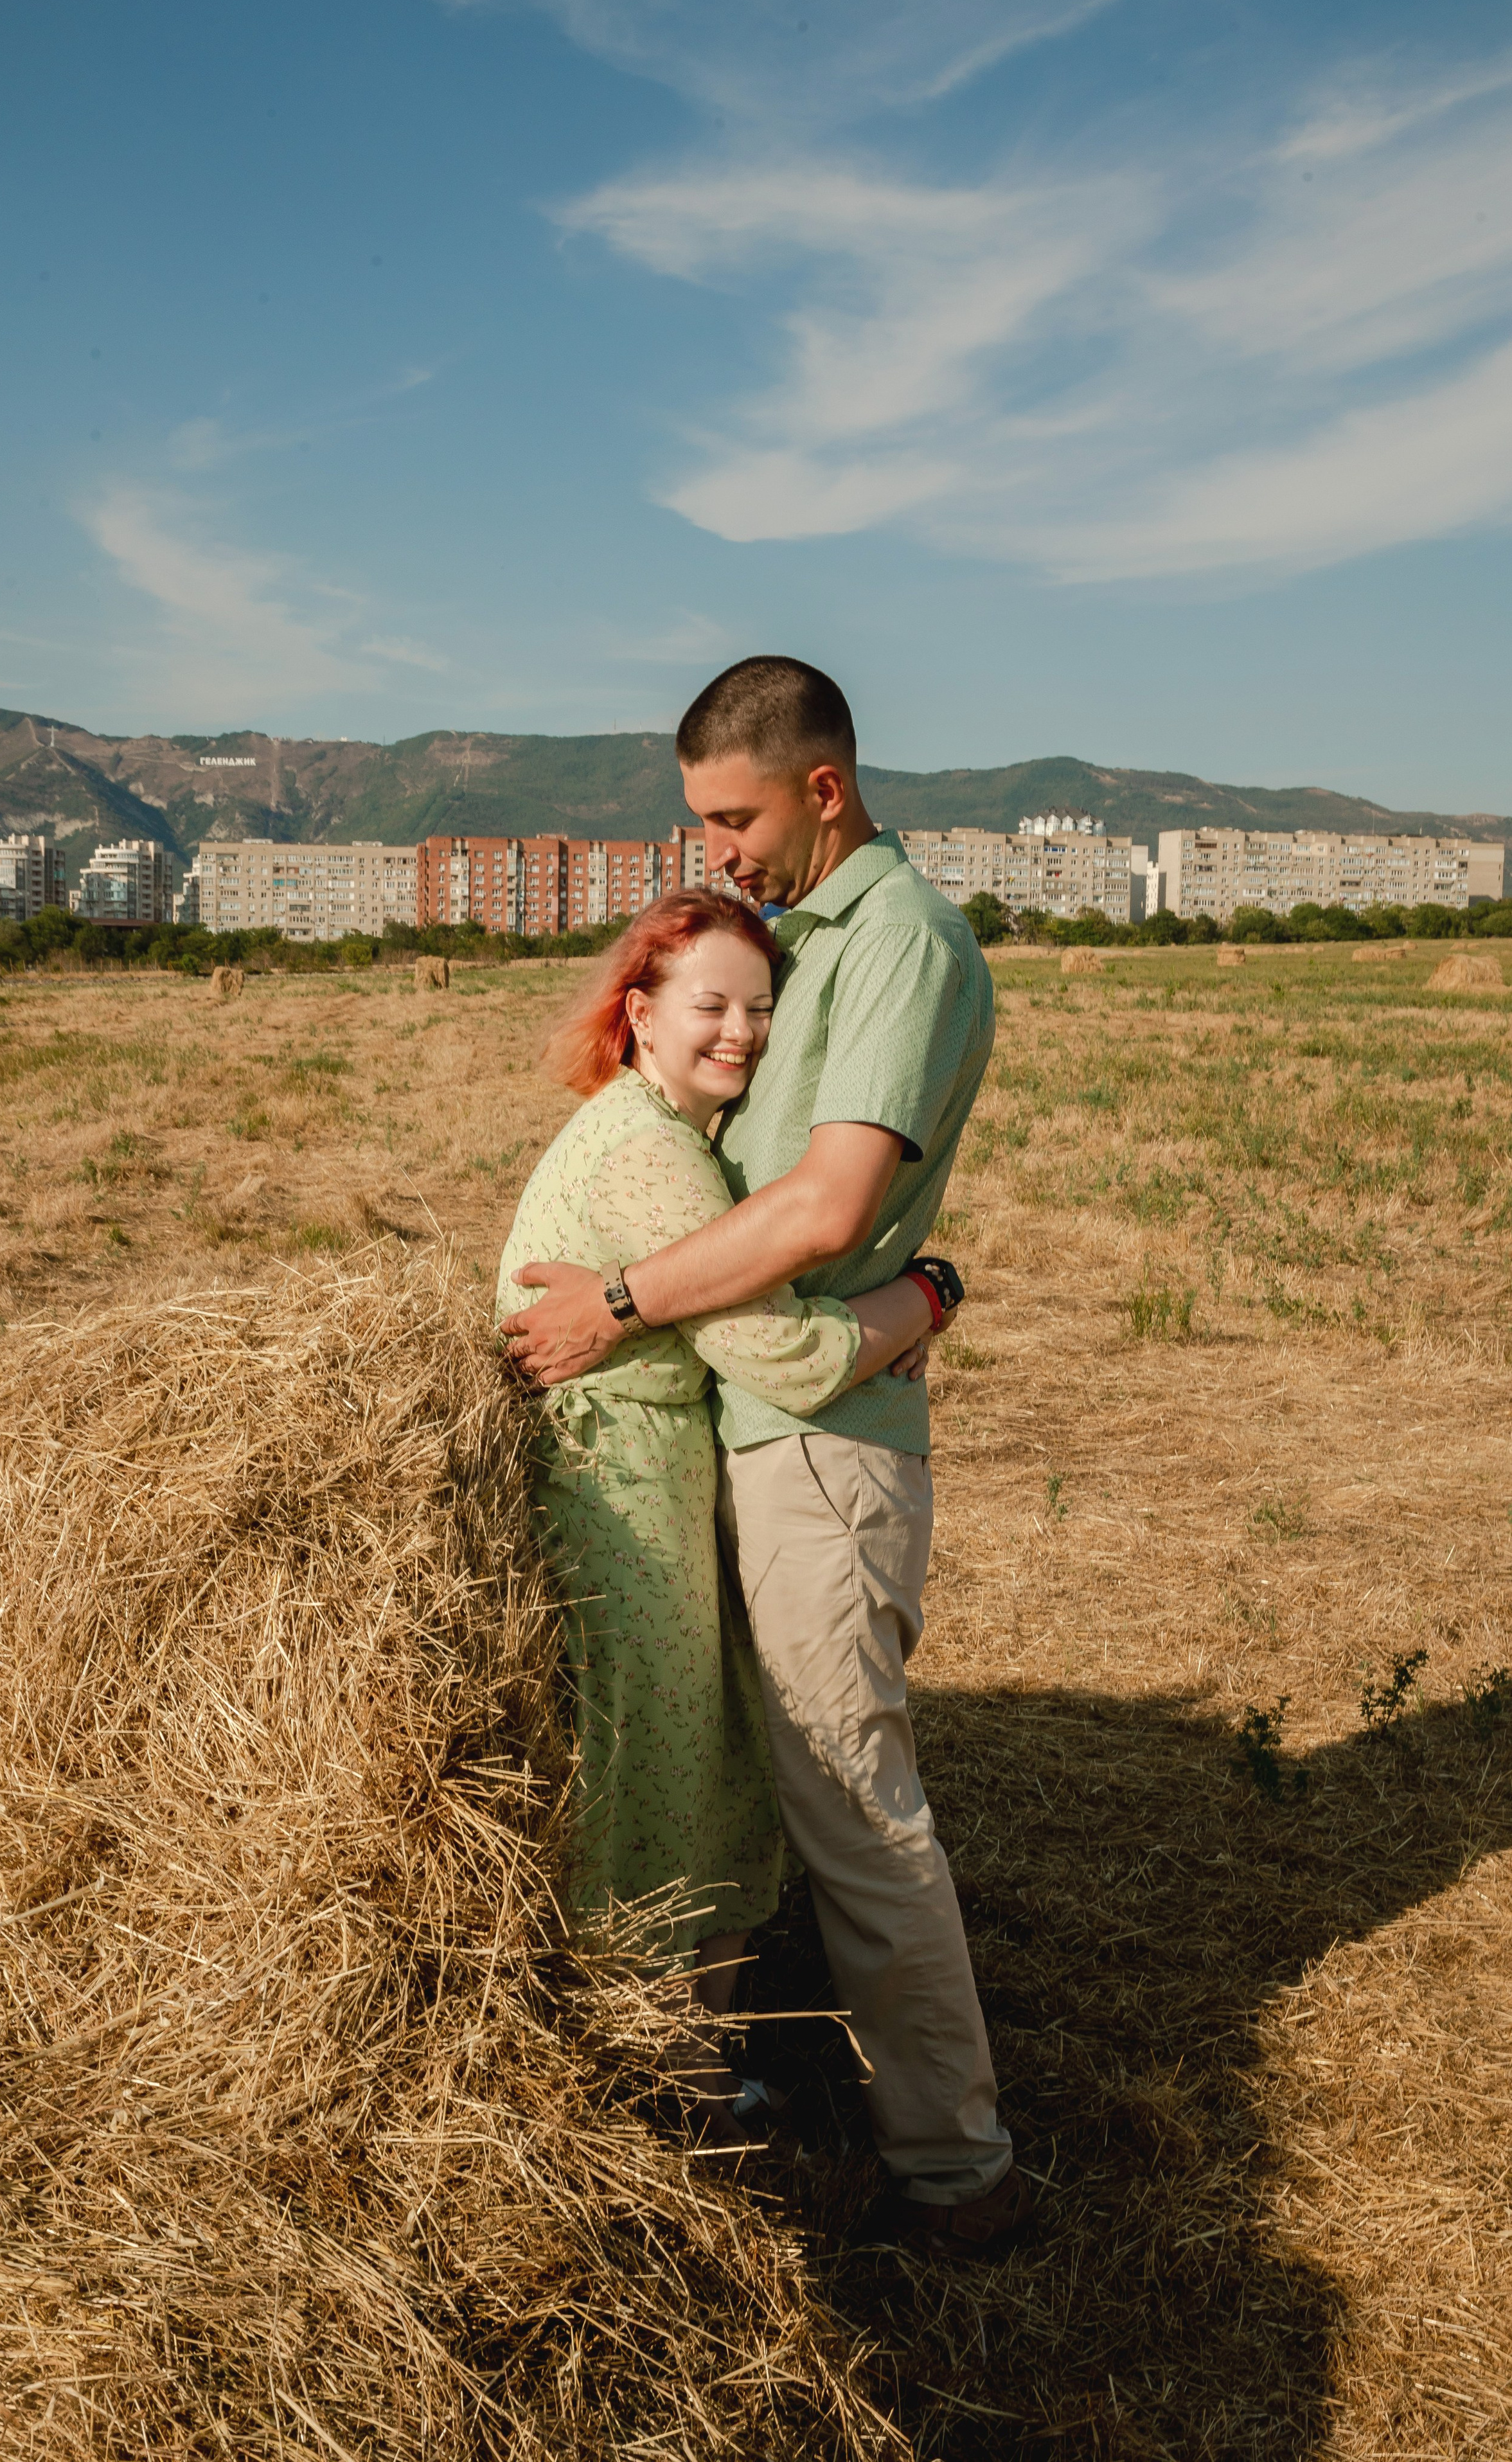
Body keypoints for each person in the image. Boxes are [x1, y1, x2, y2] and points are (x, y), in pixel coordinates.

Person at [502, 656, 1030, 2258]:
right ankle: (734, 2071)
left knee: (852, 1808)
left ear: (822, 787)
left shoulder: (900, 942)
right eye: (699, 824)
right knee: (767, 1781)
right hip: (745, 1426)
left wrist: (620, 1301)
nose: (715, 850)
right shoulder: (803, 942)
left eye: (732, 818)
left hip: (814, 1439)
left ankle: (952, 2174)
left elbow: (820, 1209)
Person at [495, 886, 939, 2143]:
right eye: (710, 1005)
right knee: (665, 1787)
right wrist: (924, 1298)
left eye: (762, 1009)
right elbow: (786, 1357)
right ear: (639, 1014)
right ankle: (656, 2093)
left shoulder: (654, 1131)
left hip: (644, 1487)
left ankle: (687, 2068)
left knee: (704, 1772)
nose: (740, 1032)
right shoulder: (649, 1152)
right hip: (620, 1507)